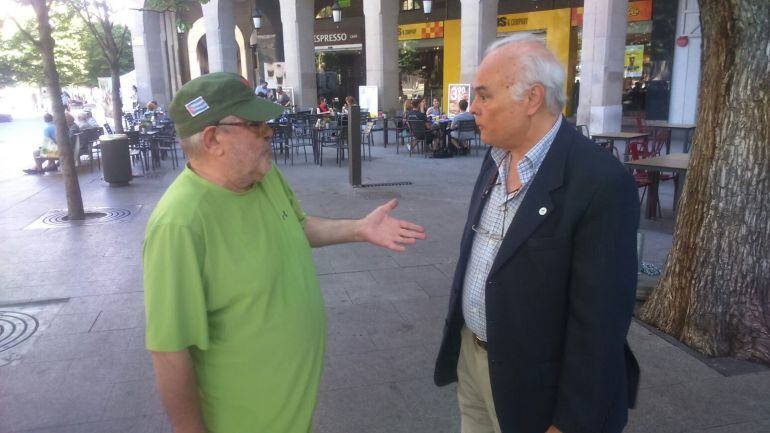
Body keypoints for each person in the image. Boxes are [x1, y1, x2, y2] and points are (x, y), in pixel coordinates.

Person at [143, 72, 426, 433]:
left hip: (291, 415)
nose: (269, 132)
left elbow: (298, 225)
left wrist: (358, 228)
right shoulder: (178, 224)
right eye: (255, 125)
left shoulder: (262, 175)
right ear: (213, 139)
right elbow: (169, 352)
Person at [433, 35, 640, 433]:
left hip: (536, 387)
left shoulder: (600, 183)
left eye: (484, 96)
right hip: (474, 361)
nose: (472, 107)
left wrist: (570, 421)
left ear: (531, 99)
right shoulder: (497, 156)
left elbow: (600, 323)